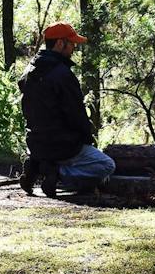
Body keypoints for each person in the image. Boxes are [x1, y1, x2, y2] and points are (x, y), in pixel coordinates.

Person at [18, 22, 116, 195]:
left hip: (35, 142)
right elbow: (76, 114)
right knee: (107, 165)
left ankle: (37, 165)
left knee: (59, 151)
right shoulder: (63, 74)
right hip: (63, 145)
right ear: (59, 43)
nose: (74, 48)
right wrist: (87, 139)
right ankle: (57, 173)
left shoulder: (29, 71)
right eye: (71, 43)